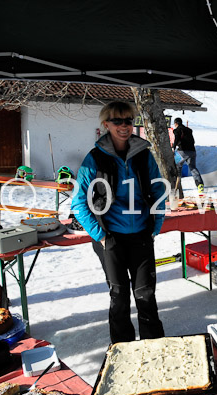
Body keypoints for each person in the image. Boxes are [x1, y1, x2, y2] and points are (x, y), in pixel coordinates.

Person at [72, 101, 166, 344]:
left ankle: (154, 348)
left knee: (146, 295)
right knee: (120, 296)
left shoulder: (144, 155)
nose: (124, 126)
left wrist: (154, 227)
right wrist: (101, 236)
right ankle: (122, 350)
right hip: (110, 237)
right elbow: (78, 203)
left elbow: (158, 192)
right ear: (106, 125)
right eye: (118, 121)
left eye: (129, 120)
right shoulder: (95, 159)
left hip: (141, 235)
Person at [173, 117, 204, 193]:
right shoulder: (189, 130)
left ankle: (177, 186)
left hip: (182, 151)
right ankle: (200, 185)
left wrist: (173, 147)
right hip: (192, 151)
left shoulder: (177, 130)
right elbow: (193, 141)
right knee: (193, 168)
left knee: (177, 166)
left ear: (176, 123)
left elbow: (176, 139)